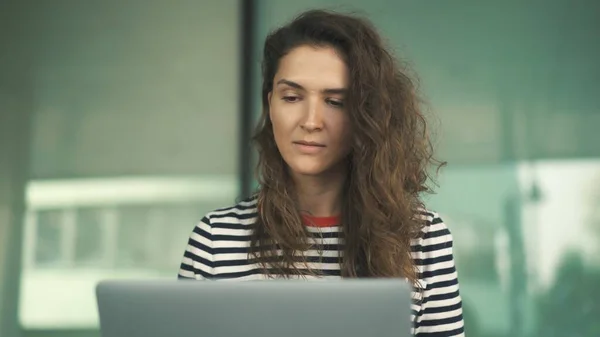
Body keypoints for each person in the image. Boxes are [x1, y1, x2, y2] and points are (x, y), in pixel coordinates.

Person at [178, 9, 465, 336]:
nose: (311, 121)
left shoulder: (423, 238)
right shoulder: (215, 239)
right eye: (292, 97)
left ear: (365, 114)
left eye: (335, 102)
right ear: (270, 104)